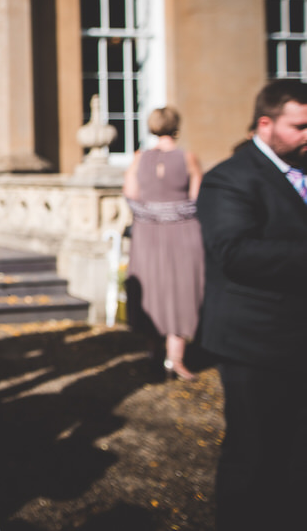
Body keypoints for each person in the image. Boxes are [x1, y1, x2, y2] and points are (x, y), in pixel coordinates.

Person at [196, 79, 307, 531]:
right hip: (254, 340)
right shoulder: (230, 177)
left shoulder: (298, 166)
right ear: (265, 123)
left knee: (295, 454)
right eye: (299, 126)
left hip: (296, 334)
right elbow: (234, 253)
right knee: (255, 454)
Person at [123, 106, 205, 381]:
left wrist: (153, 212)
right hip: (182, 232)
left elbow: (131, 196)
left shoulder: (139, 158)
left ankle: (153, 353)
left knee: (152, 290)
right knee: (181, 291)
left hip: (147, 233)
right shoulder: (188, 157)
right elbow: (197, 200)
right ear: (176, 128)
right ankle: (175, 359)